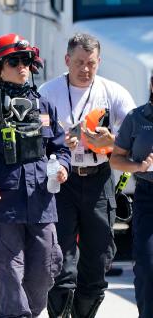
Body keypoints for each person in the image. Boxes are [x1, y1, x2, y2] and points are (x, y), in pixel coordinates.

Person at [39, 33, 136, 318]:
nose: (85, 69)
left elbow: (137, 138)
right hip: (61, 181)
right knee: (61, 262)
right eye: (79, 62)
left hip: (98, 178)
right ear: (67, 60)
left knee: (97, 260)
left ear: (99, 62)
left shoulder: (112, 91)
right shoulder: (48, 92)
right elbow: (32, 140)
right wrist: (56, 143)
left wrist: (112, 142)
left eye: (91, 63)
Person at [0, 33, 69, 318]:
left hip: (42, 204)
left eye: (27, 62)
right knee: (10, 271)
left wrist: (63, 166)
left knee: (44, 272)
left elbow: (60, 147)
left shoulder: (45, 107)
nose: (22, 67)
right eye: (14, 61)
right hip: (4, 207)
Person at [110, 78, 153, 318]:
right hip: (148, 197)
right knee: (147, 269)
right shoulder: (136, 118)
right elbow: (116, 159)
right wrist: (138, 167)